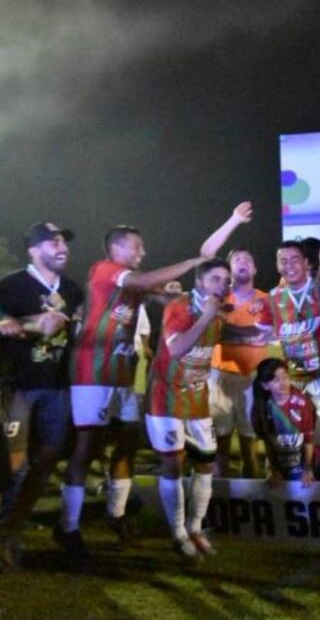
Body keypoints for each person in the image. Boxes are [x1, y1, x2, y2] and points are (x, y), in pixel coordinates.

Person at [56, 203, 251, 557]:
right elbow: (147, 282)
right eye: (137, 246)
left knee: (128, 442)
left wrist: (181, 293)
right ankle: (67, 526)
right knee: (86, 447)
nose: (142, 252)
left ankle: (116, 514)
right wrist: (193, 263)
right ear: (116, 247)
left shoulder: (134, 285)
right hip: (92, 374)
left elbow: (165, 295)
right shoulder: (105, 270)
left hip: (123, 374)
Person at [0, 223, 84, 570]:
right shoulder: (11, 284)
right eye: (53, 242)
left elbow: (76, 328)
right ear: (33, 250)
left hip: (56, 388)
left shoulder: (73, 290)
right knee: (14, 466)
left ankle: (10, 531)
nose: (62, 247)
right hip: (18, 387)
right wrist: (31, 324)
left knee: (47, 461)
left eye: (64, 241)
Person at [146, 258, 234, 560]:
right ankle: (178, 533)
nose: (222, 285)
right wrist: (207, 316)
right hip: (165, 399)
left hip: (196, 399)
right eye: (215, 279)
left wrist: (256, 332)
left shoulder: (220, 312)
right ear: (199, 283)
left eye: (226, 280)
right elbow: (177, 349)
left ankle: (195, 528)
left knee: (206, 463)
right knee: (173, 464)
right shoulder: (180, 306)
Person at [263, 240, 320, 480]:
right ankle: (294, 482)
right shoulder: (273, 297)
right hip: (295, 380)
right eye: (283, 261)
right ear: (277, 265)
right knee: (291, 436)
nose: (289, 266)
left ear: (307, 263)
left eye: (295, 260)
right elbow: (266, 334)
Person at [209, 248, 271, 478]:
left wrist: (232, 334)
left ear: (254, 269)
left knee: (250, 445)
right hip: (220, 377)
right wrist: (252, 335)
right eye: (237, 260)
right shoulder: (217, 298)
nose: (243, 262)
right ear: (229, 270)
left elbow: (269, 334)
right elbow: (214, 333)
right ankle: (221, 494)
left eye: (248, 259)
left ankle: (251, 494)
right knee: (220, 444)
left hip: (253, 379)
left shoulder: (267, 300)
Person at [251, 358, 315, 487]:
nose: (283, 383)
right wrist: (273, 469)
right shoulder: (262, 408)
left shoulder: (302, 404)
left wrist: (308, 469)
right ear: (265, 385)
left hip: (301, 464)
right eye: (276, 380)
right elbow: (267, 442)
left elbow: (309, 441)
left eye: (285, 377)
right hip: (276, 464)